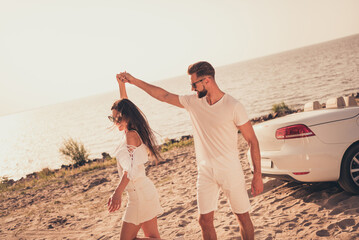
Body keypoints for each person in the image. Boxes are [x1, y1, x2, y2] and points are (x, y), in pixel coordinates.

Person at [118, 61, 263, 240]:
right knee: (204, 221)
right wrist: (133, 81)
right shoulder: (194, 102)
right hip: (206, 172)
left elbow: (252, 141)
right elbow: (163, 95)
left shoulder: (233, 106)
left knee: (242, 216)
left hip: (230, 170)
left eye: (194, 84)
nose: (192, 88)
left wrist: (257, 174)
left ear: (207, 80)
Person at [107, 75, 163, 240]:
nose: (116, 122)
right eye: (113, 118)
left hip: (138, 195)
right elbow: (126, 106)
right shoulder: (132, 128)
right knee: (152, 236)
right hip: (144, 191)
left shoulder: (131, 134)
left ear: (127, 117)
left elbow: (129, 170)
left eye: (118, 118)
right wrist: (121, 86)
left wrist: (117, 193)